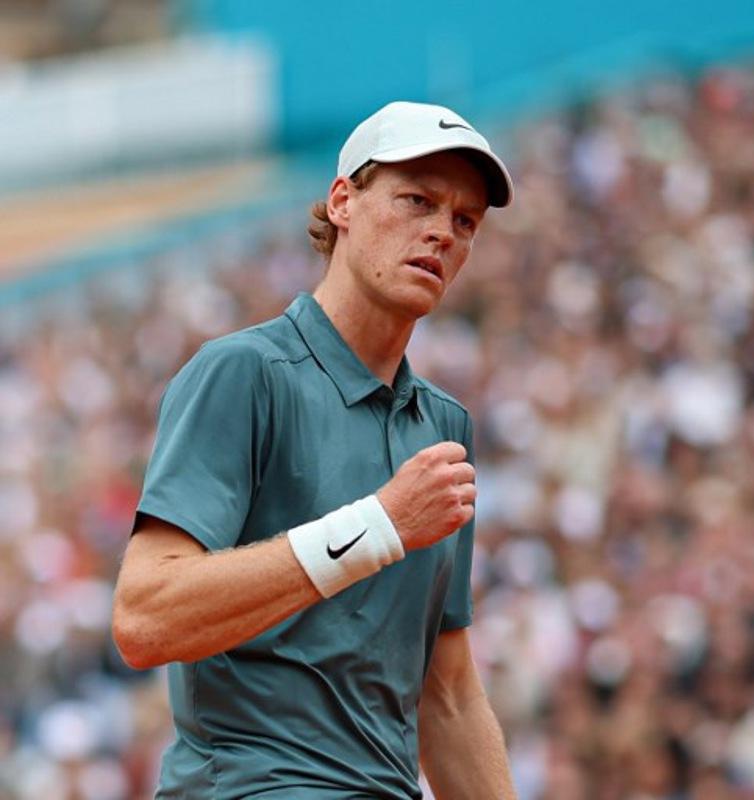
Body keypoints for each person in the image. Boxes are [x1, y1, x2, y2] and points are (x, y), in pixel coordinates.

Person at [111, 101, 518, 799]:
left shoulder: (445, 429)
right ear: (342, 202)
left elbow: (446, 695)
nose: (441, 233)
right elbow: (146, 618)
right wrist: (377, 526)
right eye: (417, 200)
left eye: (465, 221)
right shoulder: (243, 372)